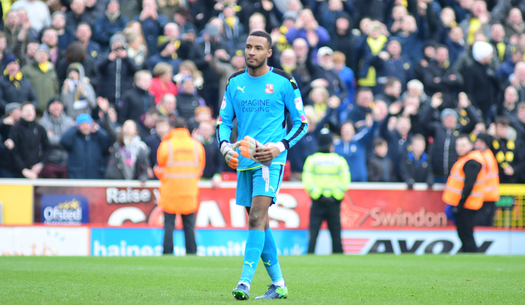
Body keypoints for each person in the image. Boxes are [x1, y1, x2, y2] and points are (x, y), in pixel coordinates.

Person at [217, 31, 307, 300]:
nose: (251, 52)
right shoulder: (234, 81)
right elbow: (223, 121)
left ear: (269, 52)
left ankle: (244, 282)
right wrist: (224, 147)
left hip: (271, 160)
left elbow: (302, 123)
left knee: (256, 216)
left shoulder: (283, 81)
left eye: (258, 48)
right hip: (243, 161)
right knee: (260, 221)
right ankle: (278, 284)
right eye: (248, 47)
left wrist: (279, 146)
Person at [154, 117, 205, 255]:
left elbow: (160, 166)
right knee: (189, 226)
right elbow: (200, 168)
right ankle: (192, 252)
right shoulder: (196, 145)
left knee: (169, 225)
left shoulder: (166, 144)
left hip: (170, 191)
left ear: (172, 128)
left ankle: (168, 252)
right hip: (189, 190)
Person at [302, 129, 349, 254]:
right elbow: (345, 180)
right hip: (334, 202)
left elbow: (307, 180)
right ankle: (339, 257)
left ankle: (310, 257)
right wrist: (335, 196)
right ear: (330, 145)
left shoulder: (312, 160)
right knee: (336, 235)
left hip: (317, 201)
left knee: (313, 234)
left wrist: (318, 195)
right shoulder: (339, 160)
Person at [442, 134, 486, 253]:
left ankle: (472, 257)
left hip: (466, 204)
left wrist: (459, 204)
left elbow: (469, 185)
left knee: (466, 235)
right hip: (466, 203)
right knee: (465, 234)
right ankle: (470, 256)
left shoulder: (472, 161)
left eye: (463, 145)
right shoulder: (468, 158)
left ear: (470, 145)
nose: (460, 148)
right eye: (458, 145)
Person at [60, 113, 111, 179]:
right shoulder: (74, 138)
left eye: (87, 124)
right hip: (76, 177)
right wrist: (74, 127)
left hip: (95, 176)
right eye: (82, 124)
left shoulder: (96, 138)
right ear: (78, 126)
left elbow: (107, 142)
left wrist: (98, 130)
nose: (85, 127)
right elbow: (63, 140)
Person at [8, 103, 49, 178]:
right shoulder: (15, 129)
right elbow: (13, 152)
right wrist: (23, 169)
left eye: (31, 110)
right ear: (21, 113)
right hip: (18, 172)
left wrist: (40, 164)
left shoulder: (40, 129)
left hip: (36, 171)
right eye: (26, 110)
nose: (29, 112)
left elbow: (47, 148)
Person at [38, 97, 74, 178]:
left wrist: (54, 137)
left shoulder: (69, 121)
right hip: (49, 162)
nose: (56, 107)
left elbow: (70, 142)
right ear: (48, 107)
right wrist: (63, 139)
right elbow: (47, 141)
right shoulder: (43, 122)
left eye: (58, 104)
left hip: (66, 163)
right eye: (53, 104)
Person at [474, 133, 500, 226]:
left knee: (482, 224)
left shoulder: (483, 157)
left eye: (480, 142)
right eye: (477, 141)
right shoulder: (488, 155)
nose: (477, 144)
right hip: (489, 196)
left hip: (485, 196)